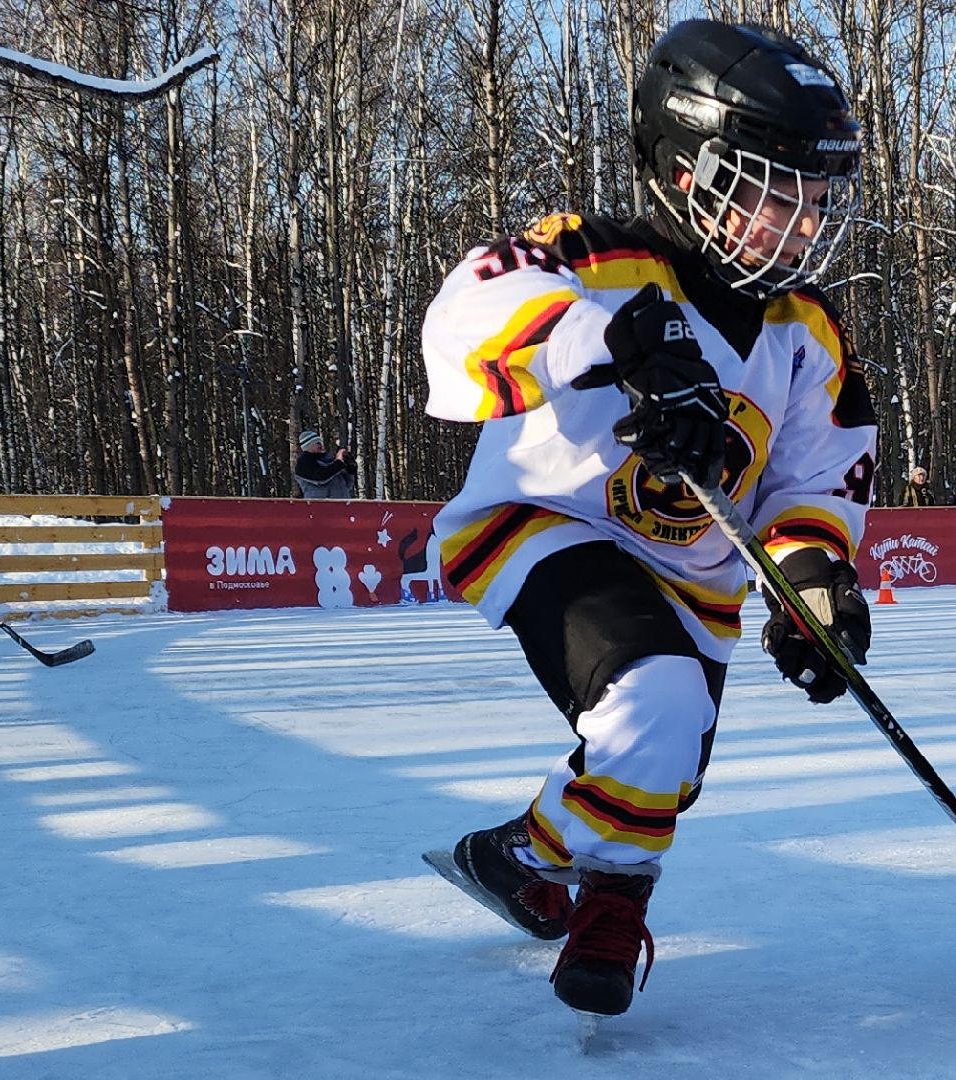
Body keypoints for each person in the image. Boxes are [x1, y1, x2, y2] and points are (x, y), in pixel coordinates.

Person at [419, 20, 875, 1021]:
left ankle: (518, 859)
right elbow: (458, 315)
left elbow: (814, 478)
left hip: (691, 576)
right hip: (544, 526)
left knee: (657, 764)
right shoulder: (592, 258)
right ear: (683, 173)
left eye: (813, 199)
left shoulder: (806, 332)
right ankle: (609, 911)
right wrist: (613, 335)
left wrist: (809, 581)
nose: (796, 222)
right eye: (769, 190)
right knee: (656, 704)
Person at [293, 430, 356, 499]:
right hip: (319, 506)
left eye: (320, 442)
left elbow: (347, 484)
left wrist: (350, 466)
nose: (320, 445)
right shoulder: (303, 463)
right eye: (316, 443)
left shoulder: (329, 460)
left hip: (342, 504)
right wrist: (339, 463)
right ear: (308, 445)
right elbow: (320, 477)